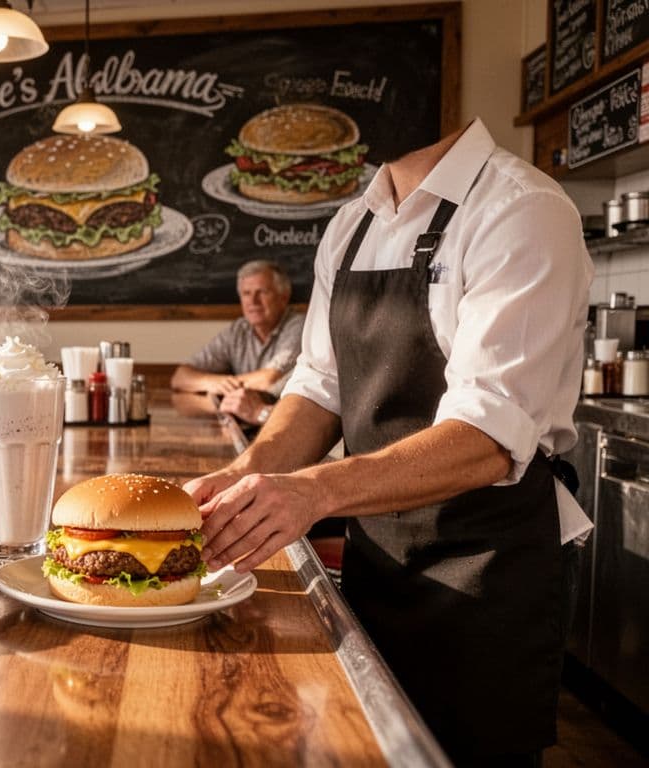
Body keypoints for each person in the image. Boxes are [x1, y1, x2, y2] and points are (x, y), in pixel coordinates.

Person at [184, 118, 592, 765]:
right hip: (379, 550)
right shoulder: (352, 224)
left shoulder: (522, 208)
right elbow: (320, 390)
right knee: (373, 747)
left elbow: (490, 434)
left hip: (486, 563)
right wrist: (244, 474)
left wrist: (313, 490)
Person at [170, 260, 304, 427]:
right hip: (248, 426)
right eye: (246, 293)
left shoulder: (299, 326)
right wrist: (215, 382)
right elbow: (180, 377)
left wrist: (224, 384)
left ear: (283, 297)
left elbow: (268, 379)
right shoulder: (238, 330)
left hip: (285, 426)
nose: (253, 301)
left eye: (261, 292)